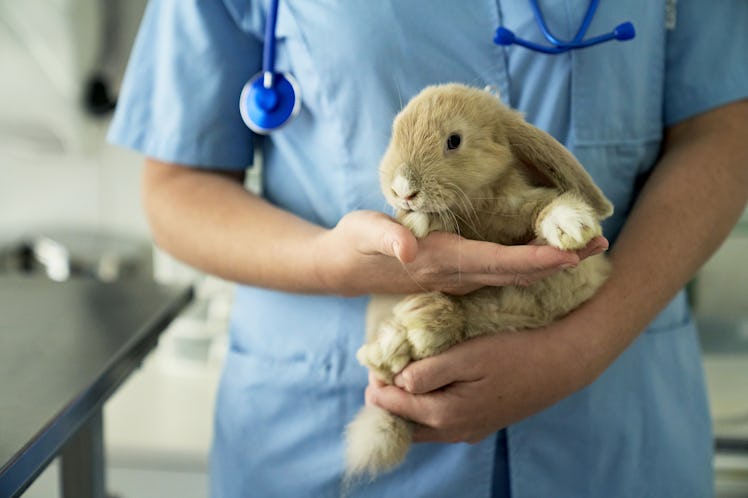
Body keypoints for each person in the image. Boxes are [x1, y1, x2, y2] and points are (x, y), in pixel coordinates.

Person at [108, 1, 748, 497]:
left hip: (612, 416)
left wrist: (582, 347)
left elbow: (723, 130)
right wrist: (332, 265)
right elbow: (177, 186)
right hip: (320, 416)